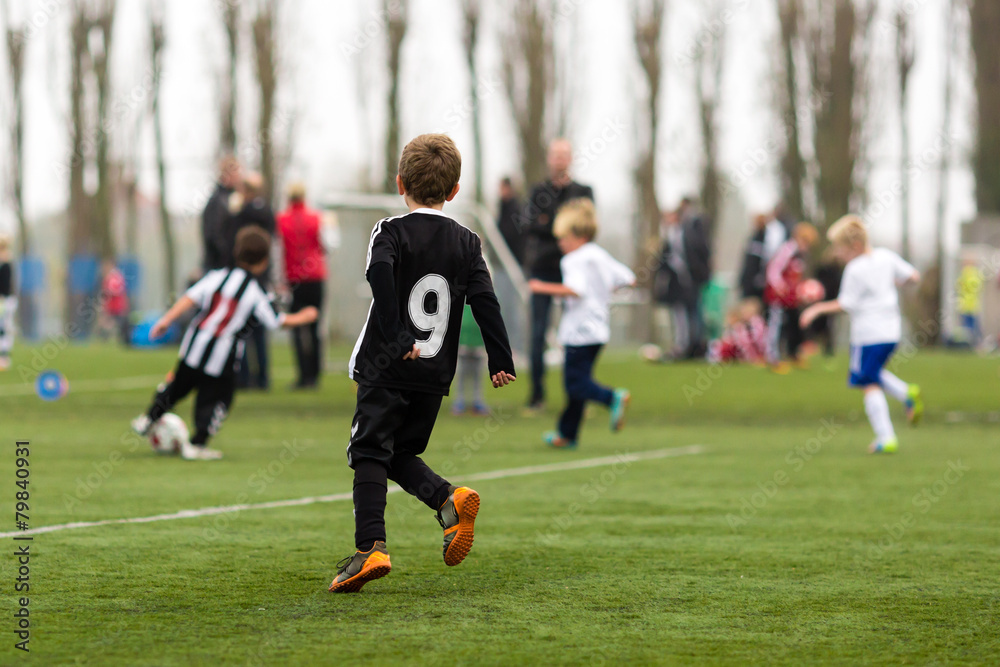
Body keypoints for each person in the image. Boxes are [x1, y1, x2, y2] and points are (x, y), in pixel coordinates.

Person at [331, 134, 516, 593]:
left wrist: (395, 336)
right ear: (454, 192)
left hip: (387, 363)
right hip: (433, 374)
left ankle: (370, 546)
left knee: (369, 451)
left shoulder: (388, 230)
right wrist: (500, 356)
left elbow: (378, 273)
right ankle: (448, 501)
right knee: (399, 453)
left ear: (399, 183)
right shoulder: (468, 242)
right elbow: (485, 300)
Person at [130, 226, 318, 460]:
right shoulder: (257, 291)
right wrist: (305, 316)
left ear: (237, 252)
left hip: (194, 344)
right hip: (222, 355)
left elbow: (190, 297)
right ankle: (197, 443)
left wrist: (166, 320)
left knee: (177, 386)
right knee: (217, 398)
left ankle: (149, 418)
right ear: (264, 262)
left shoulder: (217, 276)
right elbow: (276, 321)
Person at [801, 214, 924, 454]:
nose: (837, 253)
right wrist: (894, 283)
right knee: (871, 373)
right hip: (891, 332)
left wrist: (816, 309)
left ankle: (886, 437)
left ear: (855, 246)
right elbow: (913, 277)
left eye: (840, 247)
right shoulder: (886, 257)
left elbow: (845, 304)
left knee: (866, 382)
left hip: (867, 334)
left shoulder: (855, 269)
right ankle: (906, 393)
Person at [528, 199, 635, 449]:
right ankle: (567, 435)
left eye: (563, 237)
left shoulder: (573, 260)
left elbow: (575, 290)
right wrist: (605, 291)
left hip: (578, 332)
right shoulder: (599, 254)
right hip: (599, 331)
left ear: (578, 235)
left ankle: (612, 398)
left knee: (575, 384)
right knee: (577, 386)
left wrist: (541, 287)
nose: (560, 243)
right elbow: (628, 278)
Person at [523, 139, 594, 413]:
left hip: (573, 273)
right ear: (549, 159)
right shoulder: (538, 191)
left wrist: (549, 224)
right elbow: (530, 226)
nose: (560, 159)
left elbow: (586, 228)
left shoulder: (583, 192)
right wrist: (562, 229)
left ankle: (577, 395)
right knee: (538, 334)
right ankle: (536, 396)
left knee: (577, 336)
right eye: (555, 155)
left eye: (564, 155)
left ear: (571, 158)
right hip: (543, 272)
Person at [226, 173, 276, 390]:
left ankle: (244, 377)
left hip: (245, 276)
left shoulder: (240, 213)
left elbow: (230, 239)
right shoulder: (267, 212)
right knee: (260, 329)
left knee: (241, 328)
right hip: (262, 275)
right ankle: (263, 377)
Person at [276, 182, 327, 389]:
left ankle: (303, 375)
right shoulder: (317, 218)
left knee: (297, 327)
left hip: (294, 279)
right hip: (315, 278)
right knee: (315, 327)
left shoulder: (281, 220)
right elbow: (328, 245)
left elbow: (277, 249)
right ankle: (315, 374)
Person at [765, 222, 818, 371]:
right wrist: (779, 286)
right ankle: (773, 358)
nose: (806, 246)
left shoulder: (801, 255)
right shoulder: (787, 249)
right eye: (805, 242)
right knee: (776, 325)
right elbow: (773, 269)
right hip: (778, 295)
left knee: (794, 324)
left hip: (790, 297)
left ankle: (793, 354)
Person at [675, 197, 712, 358]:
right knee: (691, 310)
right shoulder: (685, 225)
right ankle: (690, 344)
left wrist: (699, 271)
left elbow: (701, 249)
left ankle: (697, 346)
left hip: (695, 277)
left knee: (696, 310)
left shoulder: (696, 224)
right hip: (688, 278)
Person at [202, 156, 241, 272]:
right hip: (219, 266)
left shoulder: (231, 197)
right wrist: (228, 256)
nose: (239, 178)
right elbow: (214, 234)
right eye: (236, 174)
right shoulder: (218, 201)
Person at [452, 304, 490, 416]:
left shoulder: (489, 293)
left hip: (479, 340)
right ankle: (459, 400)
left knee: (478, 373)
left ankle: (477, 400)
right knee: (461, 372)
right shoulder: (461, 296)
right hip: (462, 340)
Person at [708, 298, 768, 365]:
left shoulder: (756, 323)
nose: (744, 314)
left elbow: (756, 343)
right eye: (744, 312)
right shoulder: (742, 325)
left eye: (747, 311)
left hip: (755, 354)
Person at [97, 259, 130, 345]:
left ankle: (108, 338)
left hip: (115, 306)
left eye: (106, 265)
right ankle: (108, 338)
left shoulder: (114, 277)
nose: (104, 268)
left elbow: (115, 291)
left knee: (110, 323)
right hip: (112, 305)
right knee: (108, 322)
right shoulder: (111, 276)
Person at [738, 214, 771, 300]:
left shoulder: (758, 239)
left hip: (753, 282)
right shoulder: (758, 238)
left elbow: (751, 262)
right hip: (753, 280)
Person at [496, 177, 525, 265]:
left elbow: (510, 232)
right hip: (505, 256)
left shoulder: (515, 209)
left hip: (513, 256)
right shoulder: (503, 206)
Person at [957, 259, 983, 348]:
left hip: (964, 305)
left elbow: (958, 286)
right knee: (973, 327)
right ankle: (976, 344)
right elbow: (979, 287)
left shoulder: (963, 274)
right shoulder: (975, 274)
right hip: (973, 305)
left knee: (967, 327)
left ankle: (968, 345)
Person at [0, 236, 15, 370]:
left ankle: (4, 357)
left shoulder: (6, 262)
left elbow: (6, 285)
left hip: (5, 300)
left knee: (4, 328)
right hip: (3, 300)